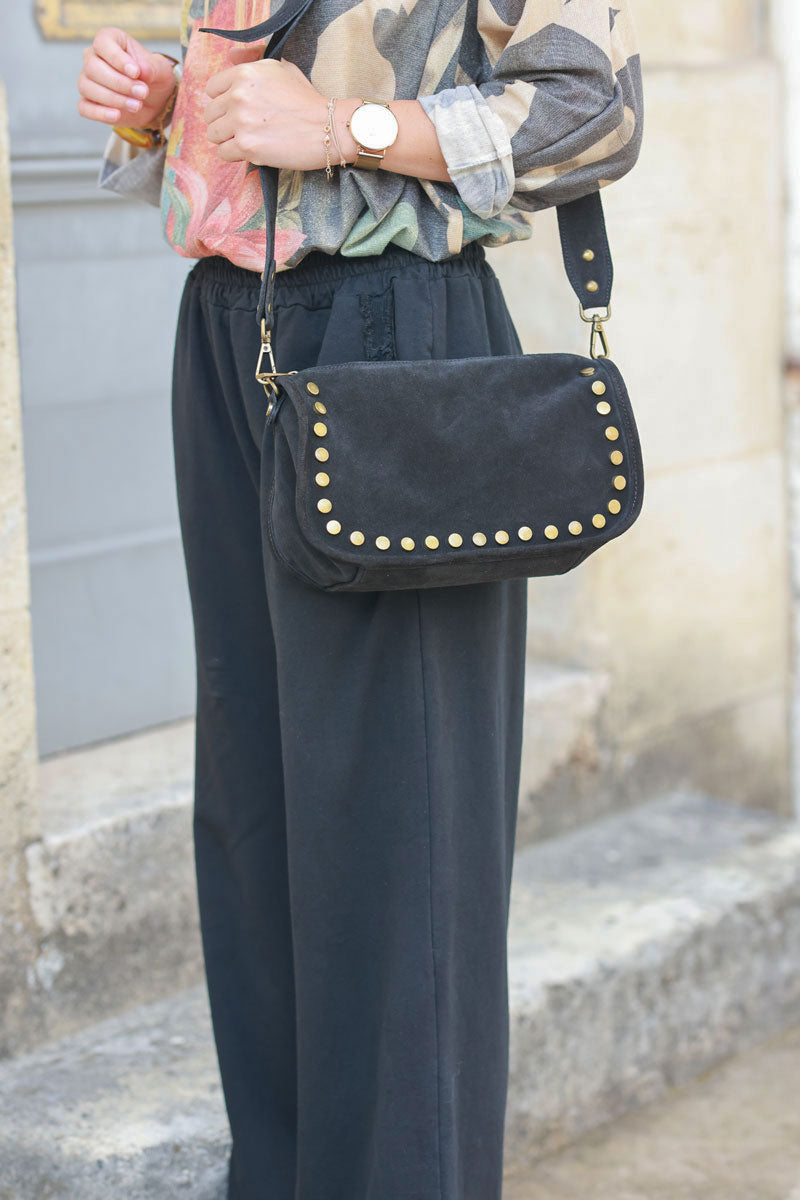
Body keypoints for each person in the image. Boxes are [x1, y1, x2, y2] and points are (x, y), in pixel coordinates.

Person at [77, 2, 643, 1196]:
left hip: (395, 340)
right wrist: (174, 106)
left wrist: (347, 123)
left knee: (403, 844)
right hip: (236, 323)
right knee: (259, 814)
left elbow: (591, 110)